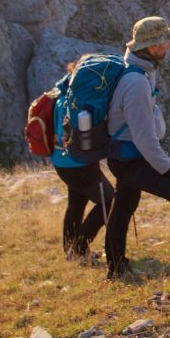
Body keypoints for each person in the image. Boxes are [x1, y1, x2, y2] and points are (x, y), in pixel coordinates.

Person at [104, 16, 170, 282]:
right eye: (165, 41)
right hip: (130, 158)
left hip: (124, 155)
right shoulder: (136, 83)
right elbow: (144, 139)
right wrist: (169, 170)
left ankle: (116, 267)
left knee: (125, 203)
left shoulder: (141, 70)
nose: (169, 44)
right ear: (151, 47)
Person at [50, 62, 115, 261]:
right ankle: (79, 248)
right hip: (79, 163)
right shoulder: (80, 98)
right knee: (109, 201)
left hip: (62, 161)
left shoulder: (61, 92)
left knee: (77, 202)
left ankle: (72, 252)